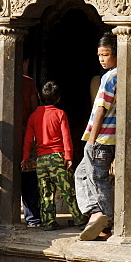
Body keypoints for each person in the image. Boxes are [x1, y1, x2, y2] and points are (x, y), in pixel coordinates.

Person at [24, 81, 84, 229]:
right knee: (67, 190)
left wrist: (25, 158)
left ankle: (48, 222)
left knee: (45, 192)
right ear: (58, 99)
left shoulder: (33, 116)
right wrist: (68, 156)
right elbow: (66, 136)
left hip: (41, 159)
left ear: (39, 96)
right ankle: (78, 219)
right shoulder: (60, 114)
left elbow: (28, 139)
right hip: (57, 157)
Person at [0, 59, 41, 225]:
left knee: (3, 173)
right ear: (24, 63)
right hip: (25, 133)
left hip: (4, 134)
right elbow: (34, 109)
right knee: (29, 176)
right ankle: (32, 217)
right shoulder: (29, 82)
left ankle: (1, 213)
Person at [75, 34, 117, 241]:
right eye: (99, 55)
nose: (101, 59)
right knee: (82, 174)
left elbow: (101, 109)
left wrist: (92, 139)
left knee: (98, 180)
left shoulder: (109, 78)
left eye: (106, 54)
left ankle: (107, 222)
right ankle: (95, 213)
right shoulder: (120, 75)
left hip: (101, 139)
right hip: (107, 138)